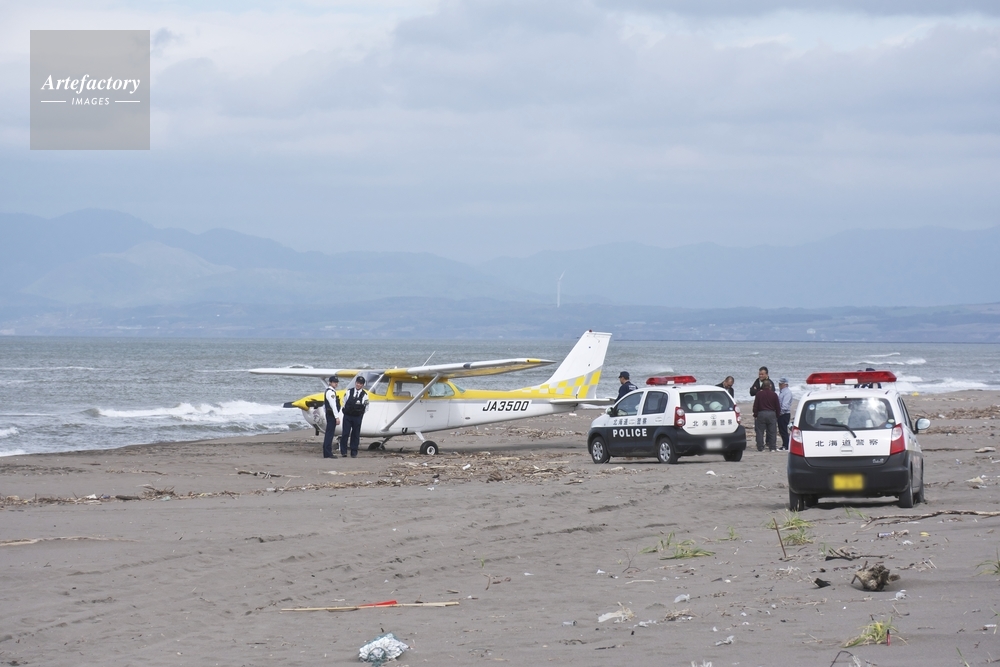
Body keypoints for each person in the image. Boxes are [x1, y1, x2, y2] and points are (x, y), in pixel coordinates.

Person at [340, 376, 369, 458]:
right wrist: (345, 410)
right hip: (348, 416)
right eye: (357, 383)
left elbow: (366, 406)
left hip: (357, 417)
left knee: (355, 434)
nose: (358, 385)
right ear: (355, 383)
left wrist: (360, 415)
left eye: (360, 384)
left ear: (362, 385)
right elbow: (344, 402)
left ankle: (354, 452)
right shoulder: (349, 392)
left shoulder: (365, 395)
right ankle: (343, 451)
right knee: (345, 433)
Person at [752, 379, 780, 452]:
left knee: (760, 432)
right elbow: (777, 406)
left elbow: (756, 406)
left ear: (762, 386)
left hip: (761, 413)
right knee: (772, 432)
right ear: (770, 386)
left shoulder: (759, 394)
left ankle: (760, 447)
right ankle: (772, 447)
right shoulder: (774, 395)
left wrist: (755, 414)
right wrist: (777, 415)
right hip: (771, 413)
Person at [322, 376, 342, 459]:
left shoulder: (330, 391)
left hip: (330, 414)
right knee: (329, 434)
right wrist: (337, 417)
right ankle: (327, 453)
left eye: (336, 382)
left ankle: (327, 452)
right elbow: (333, 405)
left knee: (329, 433)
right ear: (330, 382)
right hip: (331, 415)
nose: (336, 383)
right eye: (334, 382)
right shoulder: (331, 392)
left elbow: (324, 406)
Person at [777, 377, 793, 450]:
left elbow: (785, 405)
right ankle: (785, 444)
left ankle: (786, 445)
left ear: (785, 384)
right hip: (782, 413)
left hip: (784, 414)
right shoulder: (782, 392)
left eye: (781, 384)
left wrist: (780, 413)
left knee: (783, 430)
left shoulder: (787, 392)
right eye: (779, 384)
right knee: (781, 430)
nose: (779, 385)